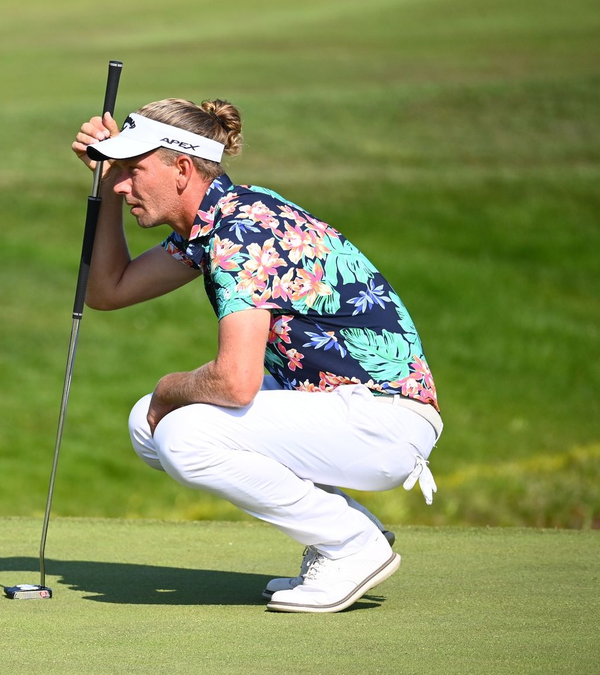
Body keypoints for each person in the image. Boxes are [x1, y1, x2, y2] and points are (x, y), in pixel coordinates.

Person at [71, 98, 442, 613]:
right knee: (148, 425)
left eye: (134, 171)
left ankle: (351, 545)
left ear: (182, 169)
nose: (122, 185)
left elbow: (235, 382)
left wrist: (168, 389)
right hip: (344, 406)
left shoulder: (241, 230)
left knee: (181, 431)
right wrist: (107, 186)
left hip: (382, 420)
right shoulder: (222, 217)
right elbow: (108, 290)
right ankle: (347, 530)